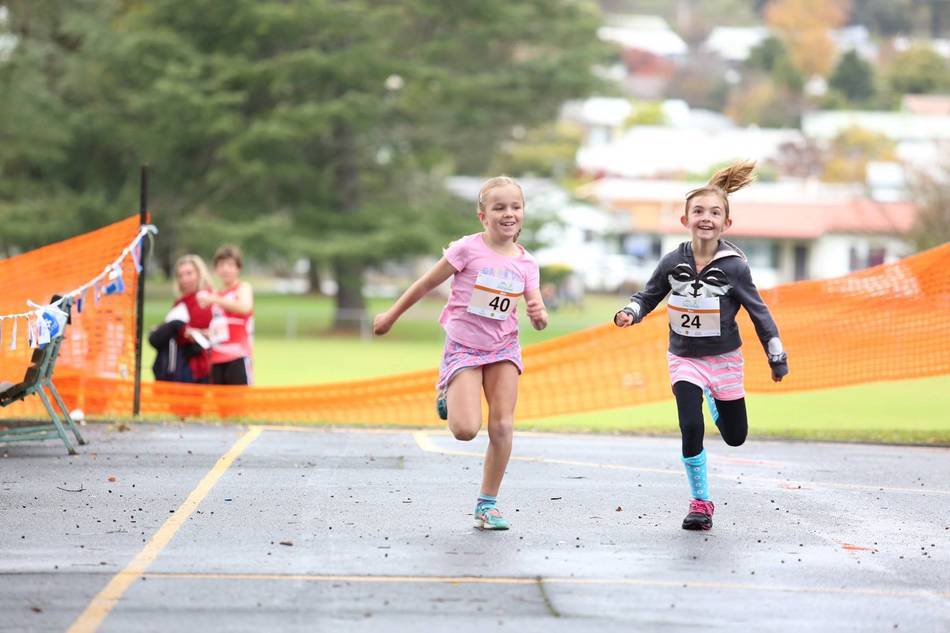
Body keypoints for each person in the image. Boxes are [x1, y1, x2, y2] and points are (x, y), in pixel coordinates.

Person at [613, 160, 788, 531]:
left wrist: (776, 356)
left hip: (725, 360)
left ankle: (715, 397)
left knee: (735, 437)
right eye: (698, 212)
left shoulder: (735, 267)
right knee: (690, 426)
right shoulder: (672, 260)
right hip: (684, 359)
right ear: (684, 220)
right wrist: (631, 311)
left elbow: (759, 313)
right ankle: (700, 503)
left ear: (726, 224)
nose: (705, 218)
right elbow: (649, 295)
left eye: (714, 213)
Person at [373, 176, 548, 530]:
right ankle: (448, 390)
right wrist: (390, 316)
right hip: (465, 346)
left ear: (523, 213)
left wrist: (539, 314)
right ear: (483, 216)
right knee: (466, 430)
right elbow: (425, 283)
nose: (508, 213)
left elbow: (535, 302)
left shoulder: (527, 263)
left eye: (515, 207)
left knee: (501, 425)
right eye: (499, 207)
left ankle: (487, 504)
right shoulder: (466, 249)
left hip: (503, 347)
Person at [148, 255, 214, 383]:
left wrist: (182, 331)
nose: (184, 279)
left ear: (200, 274)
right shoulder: (181, 302)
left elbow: (200, 331)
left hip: (197, 367)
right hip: (178, 365)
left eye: (189, 273)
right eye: (180, 275)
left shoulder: (206, 299)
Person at [198, 245, 254, 385]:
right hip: (217, 358)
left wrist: (214, 299)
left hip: (238, 356)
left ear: (238, 268)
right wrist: (204, 333)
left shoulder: (242, 288)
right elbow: (222, 326)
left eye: (230, 264)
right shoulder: (217, 294)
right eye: (221, 265)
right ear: (216, 269)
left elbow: (244, 307)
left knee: (237, 404)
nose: (226, 269)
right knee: (220, 404)